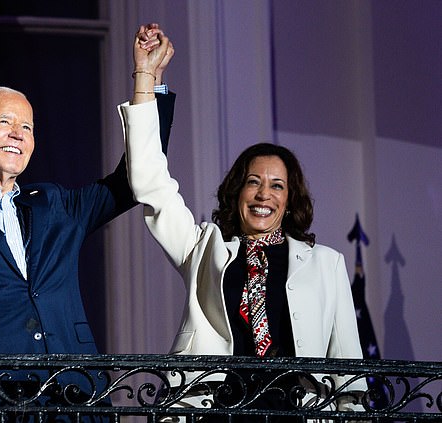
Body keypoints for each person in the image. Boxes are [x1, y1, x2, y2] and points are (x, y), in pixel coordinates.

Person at [0, 23, 175, 403]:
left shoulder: (54, 203)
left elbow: (134, 178)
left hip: (73, 392)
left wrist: (147, 80)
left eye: (27, 127)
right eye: (4, 122)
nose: (19, 134)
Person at [118, 29, 367, 420]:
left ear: (290, 200)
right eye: (253, 182)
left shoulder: (328, 264)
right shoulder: (203, 248)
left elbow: (349, 374)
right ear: (237, 192)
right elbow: (150, 183)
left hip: (297, 413)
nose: (263, 194)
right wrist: (145, 78)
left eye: (277, 186)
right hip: (214, 411)